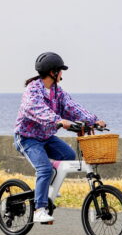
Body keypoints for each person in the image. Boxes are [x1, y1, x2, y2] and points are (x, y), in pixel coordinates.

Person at [14, 52, 106, 223]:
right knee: (44, 169)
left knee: (68, 156)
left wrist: (93, 121)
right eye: (61, 70)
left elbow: (72, 107)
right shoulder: (33, 89)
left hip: (46, 137)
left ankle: (49, 188)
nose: (62, 74)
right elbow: (37, 110)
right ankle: (39, 209)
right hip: (27, 138)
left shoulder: (57, 91)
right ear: (52, 72)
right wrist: (58, 121)